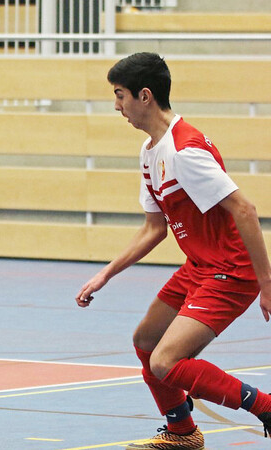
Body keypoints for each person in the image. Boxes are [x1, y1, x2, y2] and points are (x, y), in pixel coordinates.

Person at [75, 52, 271, 449]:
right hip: (200, 267)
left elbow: (245, 210)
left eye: (120, 96)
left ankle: (265, 406)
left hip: (231, 271)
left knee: (166, 362)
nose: (117, 106)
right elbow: (154, 229)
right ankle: (183, 432)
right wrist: (105, 274)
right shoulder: (152, 152)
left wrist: (266, 284)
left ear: (144, 96)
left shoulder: (184, 151)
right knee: (146, 342)